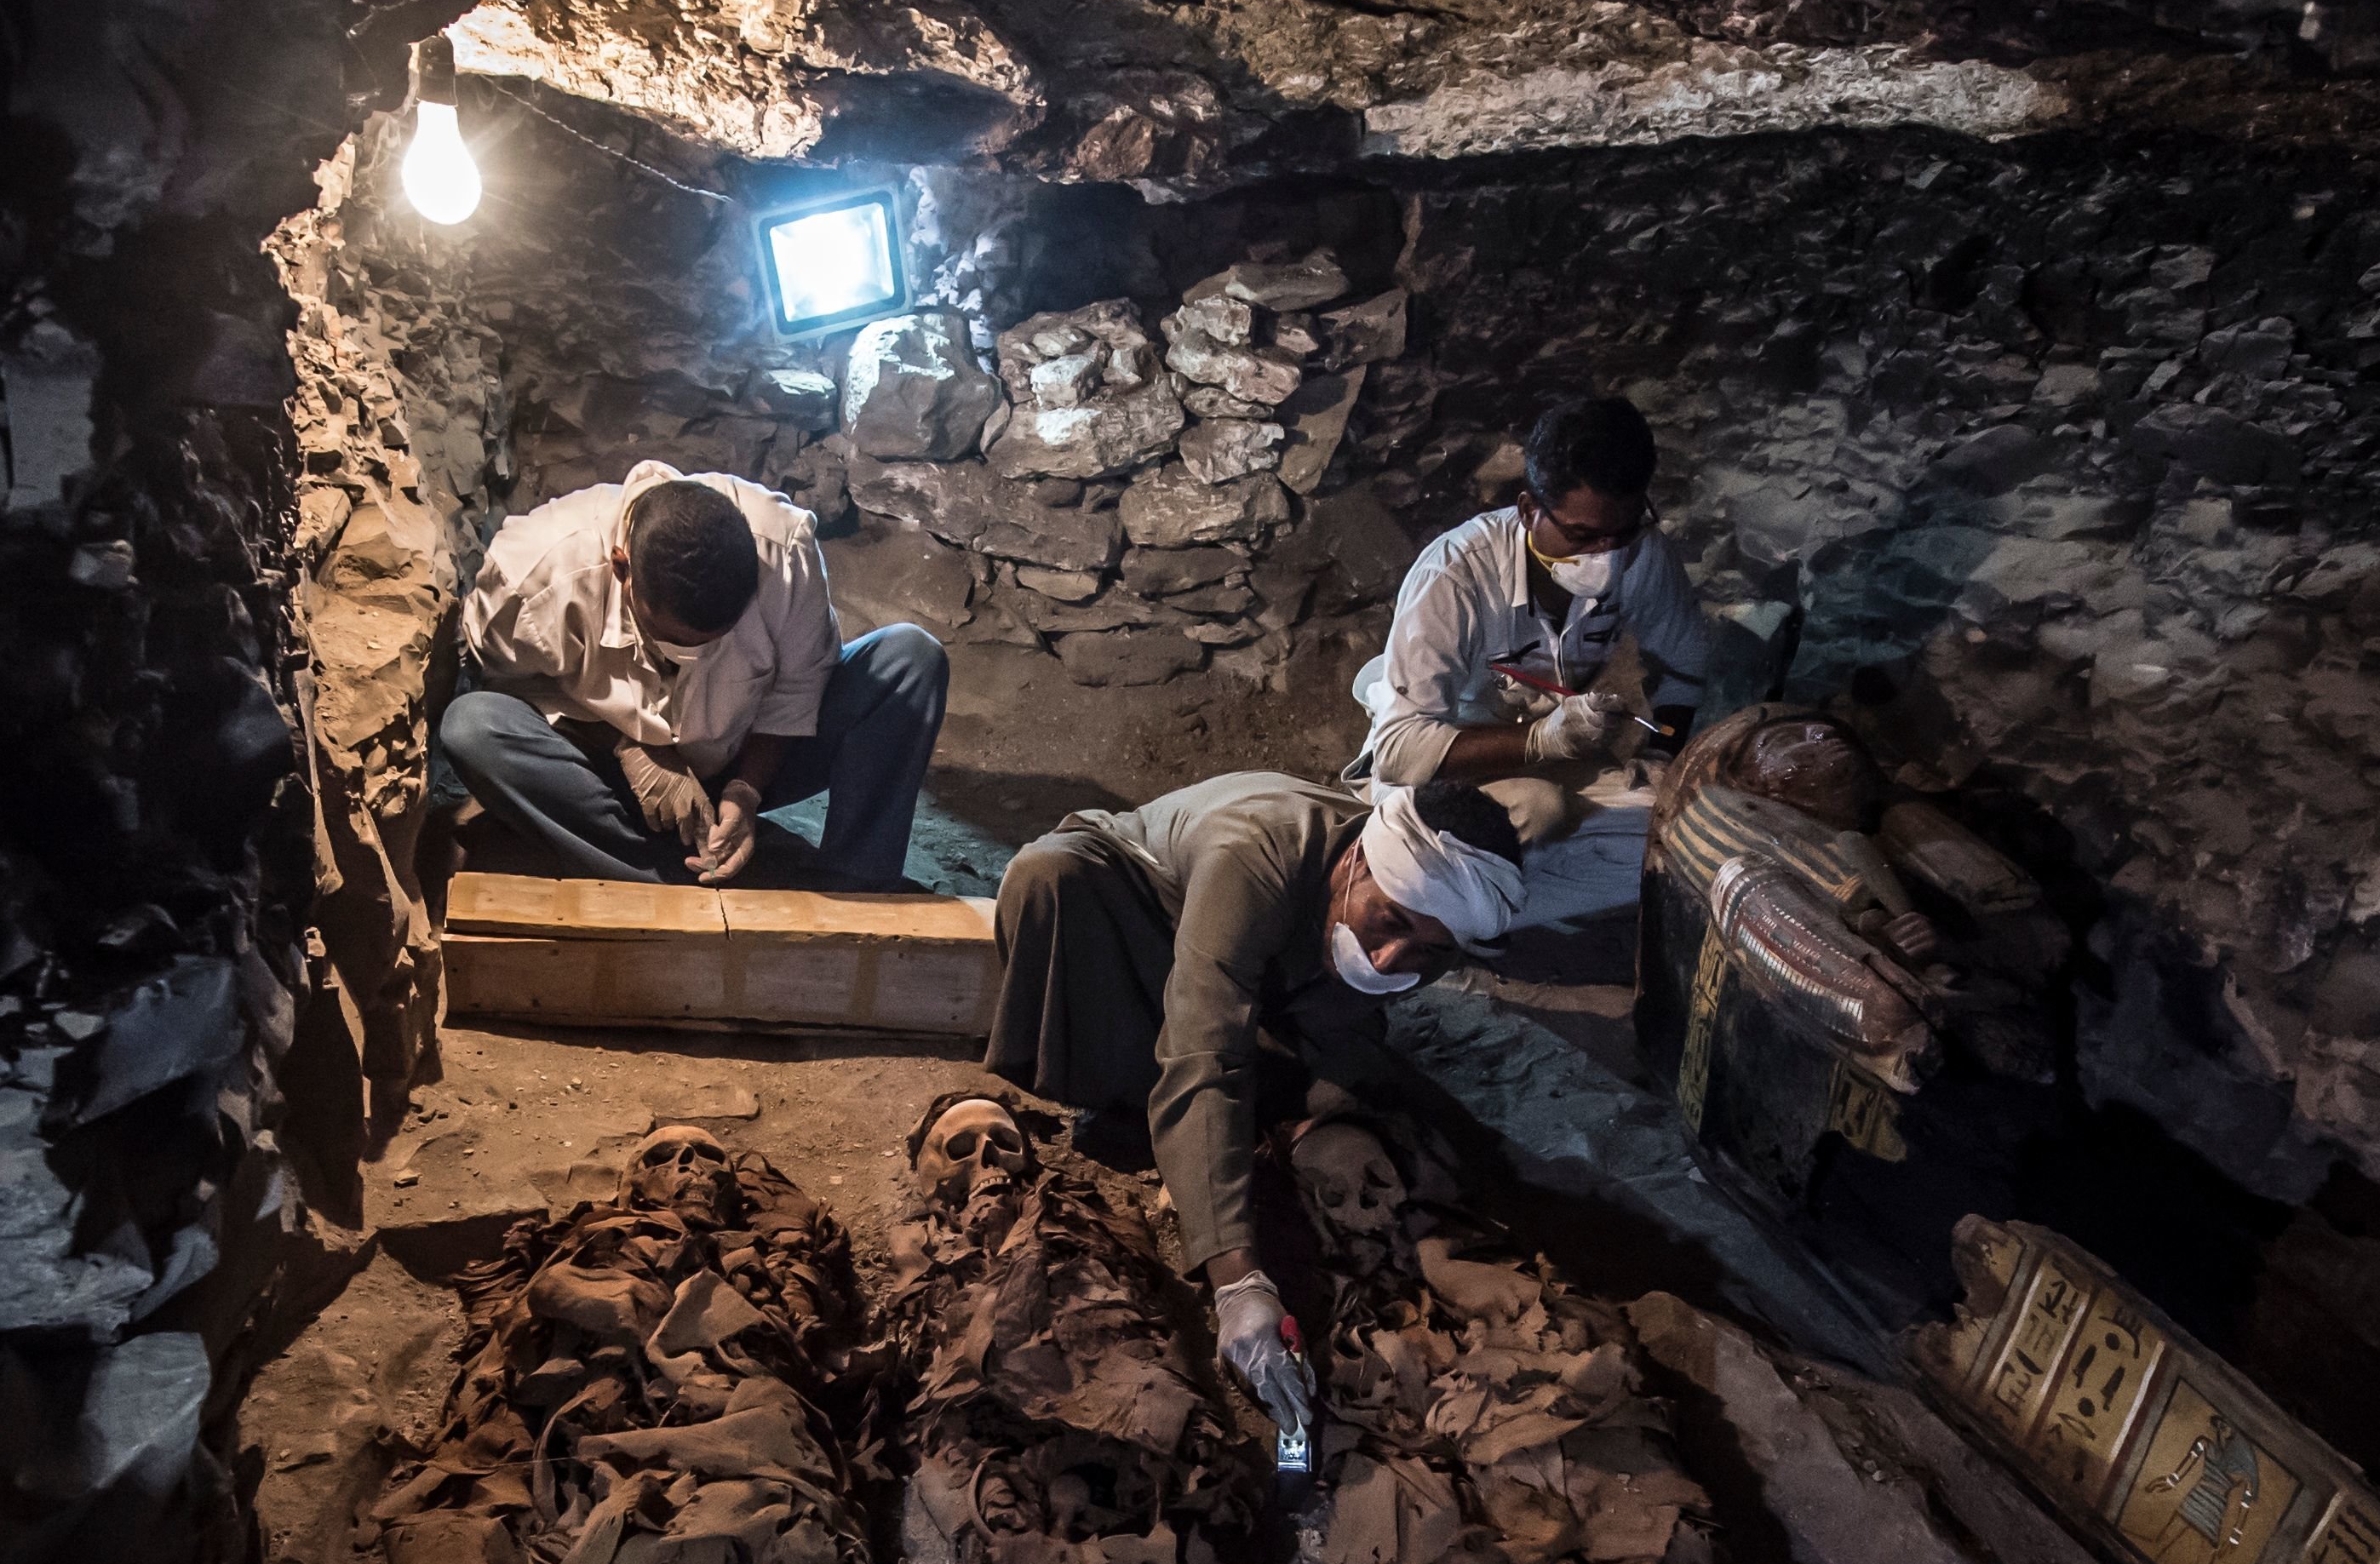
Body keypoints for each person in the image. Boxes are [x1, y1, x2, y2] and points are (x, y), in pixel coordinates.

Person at [983, 769, 1528, 1440]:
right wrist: (1238, 1284)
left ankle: (1264, 1122)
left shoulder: (1422, 919)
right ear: (1356, 861)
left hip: (1286, 950)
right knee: (1055, 882)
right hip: (1136, 907)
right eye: (1389, 923)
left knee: (1368, 1085)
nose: (1392, 960)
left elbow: (1349, 1017)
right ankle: (1166, 1108)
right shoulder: (1257, 854)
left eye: (1429, 950)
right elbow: (1203, 1054)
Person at [441, 461, 949, 889]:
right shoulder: (533, 576)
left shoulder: (785, 549)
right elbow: (510, 687)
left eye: (717, 640)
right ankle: (667, 873)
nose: (697, 656)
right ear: (623, 570)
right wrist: (635, 747)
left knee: (909, 659)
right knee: (474, 727)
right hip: (610, 776)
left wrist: (746, 791)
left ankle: (855, 885)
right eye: (678, 641)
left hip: (746, 754)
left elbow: (799, 688)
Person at [1343, 391, 1720, 927]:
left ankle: (1471, 911)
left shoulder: (1642, 551)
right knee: (1538, 808)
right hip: (1443, 768)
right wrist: (1544, 740)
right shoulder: (1455, 573)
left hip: (1548, 758)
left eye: (1623, 532)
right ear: (1528, 510)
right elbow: (1400, 751)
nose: (1605, 557)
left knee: (1676, 835)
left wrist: (1662, 759)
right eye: (1583, 536)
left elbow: (1684, 669)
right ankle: (1415, 885)